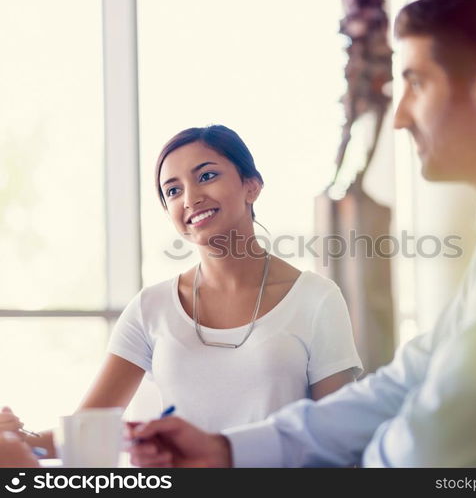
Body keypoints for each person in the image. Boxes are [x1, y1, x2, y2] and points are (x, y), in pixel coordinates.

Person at [129, 0, 476, 467]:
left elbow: (435, 437)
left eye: (415, 83)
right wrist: (226, 450)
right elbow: (404, 383)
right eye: (171, 189)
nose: (401, 117)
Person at [10, 125, 363, 458]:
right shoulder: (151, 307)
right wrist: (16, 439)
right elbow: (87, 432)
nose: (191, 198)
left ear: (251, 186)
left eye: (206, 176)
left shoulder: (316, 299)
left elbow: (337, 439)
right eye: (173, 191)